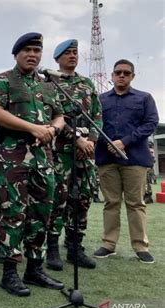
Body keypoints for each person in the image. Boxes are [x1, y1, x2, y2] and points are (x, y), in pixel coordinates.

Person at [0, 32, 65, 296]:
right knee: (13, 214)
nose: (33, 55)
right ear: (16, 54)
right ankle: (9, 273)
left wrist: (53, 130)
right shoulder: (3, 81)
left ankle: (34, 268)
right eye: (27, 50)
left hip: (44, 159)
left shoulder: (48, 85)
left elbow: (59, 116)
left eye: (37, 50)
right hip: (12, 159)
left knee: (41, 214)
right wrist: (33, 128)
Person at [93, 59, 159, 264]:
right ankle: (108, 244)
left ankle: (140, 246)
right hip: (106, 158)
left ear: (132, 76)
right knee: (111, 202)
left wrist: (124, 142)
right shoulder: (100, 99)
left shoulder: (144, 98)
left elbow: (151, 123)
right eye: (118, 72)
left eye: (126, 73)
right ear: (112, 76)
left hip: (135, 159)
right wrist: (109, 143)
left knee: (136, 203)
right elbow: (94, 123)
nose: (121, 76)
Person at [45, 39, 102, 271]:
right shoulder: (49, 83)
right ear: (57, 59)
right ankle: (52, 249)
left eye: (75, 53)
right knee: (58, 201)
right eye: (67, 53)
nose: (72, 56)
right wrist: (76, 139)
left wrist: (89, 141)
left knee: (83, 200)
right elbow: (51, 118)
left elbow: (97, 116)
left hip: (85, 154)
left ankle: (75, 247)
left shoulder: (87, 83)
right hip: (61, 153)